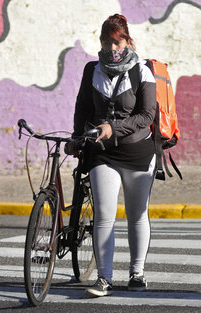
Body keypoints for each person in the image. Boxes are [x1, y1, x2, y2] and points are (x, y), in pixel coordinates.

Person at [70, 14, 157, 297]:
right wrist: (76, 137)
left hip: (137, 151)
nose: (112, 48)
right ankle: (103, 278)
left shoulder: (142, 71)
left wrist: (114, 127)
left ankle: (137, 272)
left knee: (136, 214)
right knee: (104, 215)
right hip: (102, 153)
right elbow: (82, 107)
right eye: (107, 42)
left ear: (128, 41)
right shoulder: (91, 70)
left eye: (117, 41)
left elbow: (146, 115)